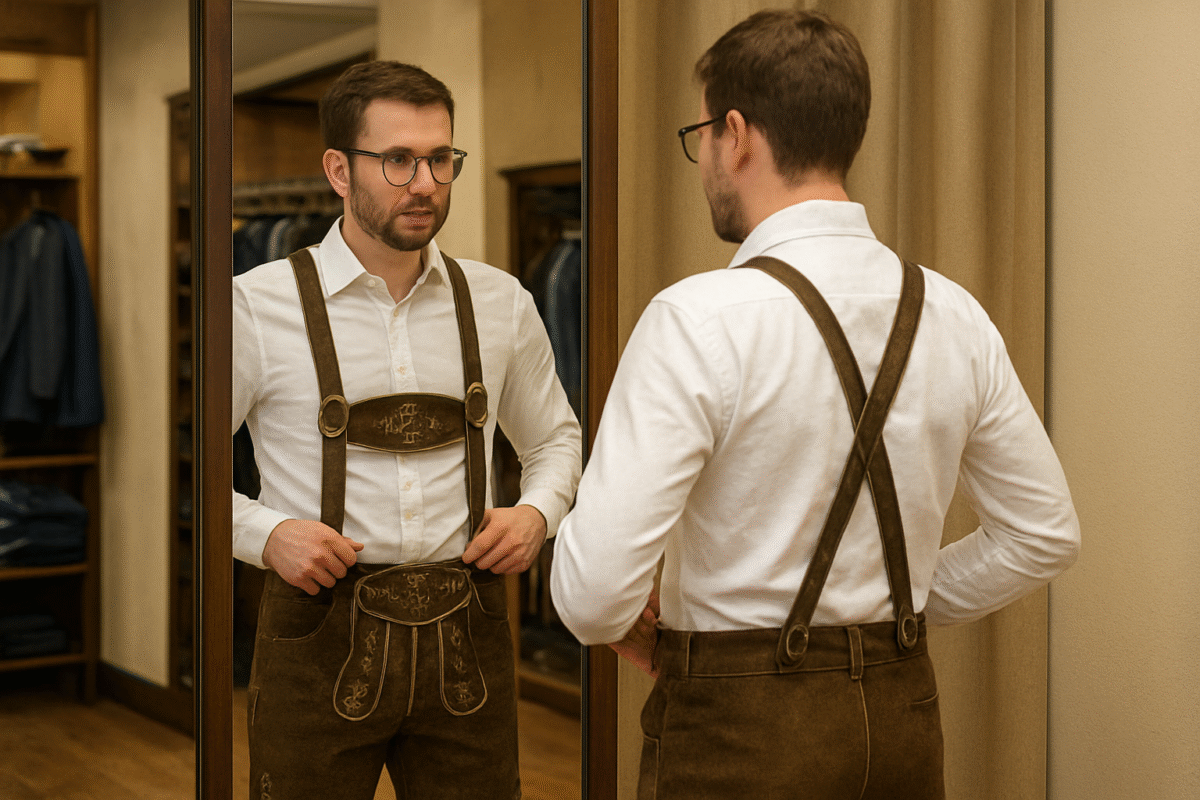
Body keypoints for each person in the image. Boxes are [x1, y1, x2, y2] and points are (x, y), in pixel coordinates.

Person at [549, 10, 1079, 800]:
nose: (705, 163)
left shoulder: (697, 318)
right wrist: (894, 612)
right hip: (904, 716)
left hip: (740, 734)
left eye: (703, 137)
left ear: (736, 134)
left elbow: (592, 597)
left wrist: (622, 615)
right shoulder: (952, 312)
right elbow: (1043, 534)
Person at [233, 60, 582, 800]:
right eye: (397, 159)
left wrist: (536, 513)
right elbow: (193, 472)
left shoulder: (502, 302)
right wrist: (265, 534)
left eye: (440, 158)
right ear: (338, 168)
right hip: (317, 634)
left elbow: (555, 439)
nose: (424, 181)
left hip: (470, 635)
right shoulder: (254, 307)